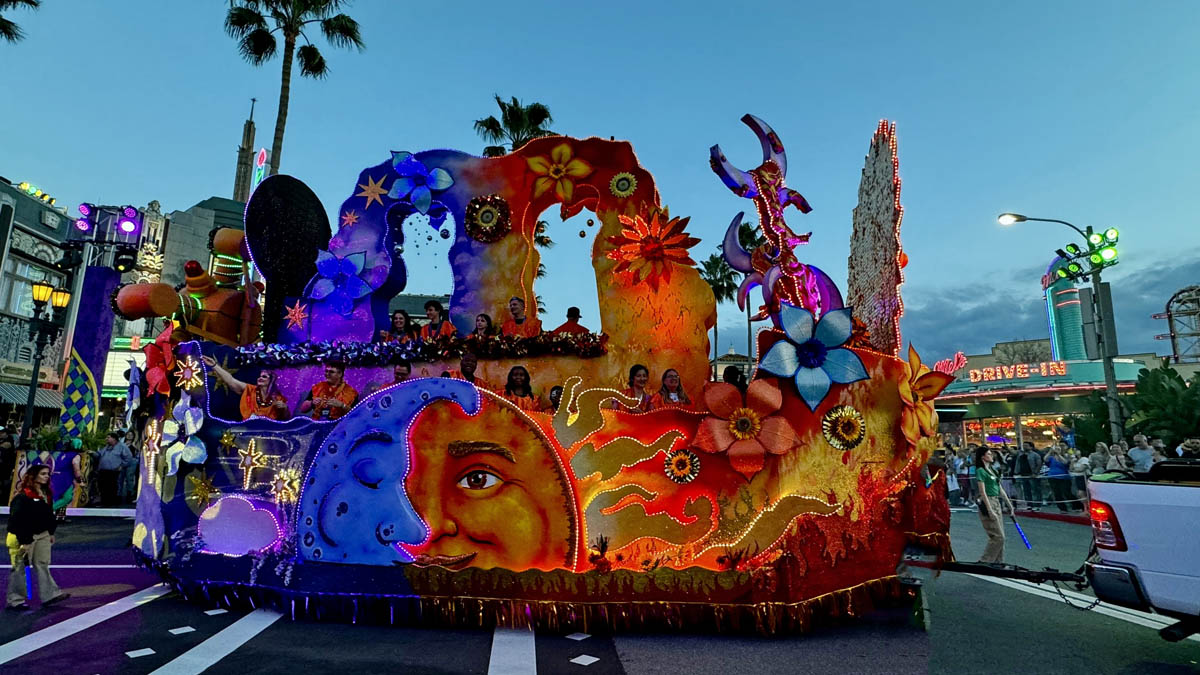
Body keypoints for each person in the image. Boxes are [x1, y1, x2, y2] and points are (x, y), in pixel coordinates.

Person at [6, 464, 69, 610]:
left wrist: (50, 532)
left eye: (47, 474)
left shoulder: (46, 494)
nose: (47, 476)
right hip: (22, 537)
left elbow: (48, 516)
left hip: (43, 535)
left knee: (42, 564)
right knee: (20, 568)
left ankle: (50, 594)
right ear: (33, 476)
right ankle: (15, 600)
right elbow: (17, 521)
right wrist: (25, 541)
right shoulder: (22, 497)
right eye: (43, 474)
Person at [204, 355, 289, 420]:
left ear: (271, 380)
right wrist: (214, 365)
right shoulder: (250, 390)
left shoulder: (278, 398)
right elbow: (230, 380)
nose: (260, 378)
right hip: (247, 431)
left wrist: (284, 409)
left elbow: (285, 419)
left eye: (264, 377)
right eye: (259, 376)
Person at [974, 446, 1013, 564]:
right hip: (988, 501)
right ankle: (985, 560)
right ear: (983, 457)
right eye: (989, 454)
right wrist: (989, 509)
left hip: (996, 501)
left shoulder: (993, 470)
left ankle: (998, 561)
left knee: (1001, 535)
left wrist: (1009, 505)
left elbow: (1000, 489)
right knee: (997, 536)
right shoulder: (981, 471)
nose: (991, 456)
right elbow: (983, 492)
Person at [94, 433, 133, 507]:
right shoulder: (106, 447)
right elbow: (99, 454)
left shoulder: (122, 447)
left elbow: (129, 458)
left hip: (114, 471)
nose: (106, 439)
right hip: (103, 471)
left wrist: (122, 466)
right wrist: (92, 453)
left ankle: (110, 503)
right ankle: (104, 502)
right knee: (103, 487)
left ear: (114, 439)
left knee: (111, 487)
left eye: (108, 437)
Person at [1043, 444, 1077, 512]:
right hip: (1053, 476)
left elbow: (1065, 462)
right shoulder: (1051, 458)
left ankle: (1076, 506)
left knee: (1067, 492)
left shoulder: (1066, 456)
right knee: (1057, 493)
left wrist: (1058, 455)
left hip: (1064, 477)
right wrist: (1050, 452)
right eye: (1056, 449)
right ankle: (1062, 508)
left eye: (1058, 449)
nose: (1056, 450)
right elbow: (1045, 459)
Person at [1014, 441, 1042, 510]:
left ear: (1031, 447)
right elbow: (1016, 459)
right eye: (1024, 445)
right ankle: (1029, 504)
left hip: (1032, 474)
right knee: (1026, 490)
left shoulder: (1035, 455)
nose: (1024, 447)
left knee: (1034, 490)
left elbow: (1039, 464)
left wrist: (1035, 473)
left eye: (1026, 445)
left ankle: (1037, 505)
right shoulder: (1020, 455)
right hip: (1023, 475)